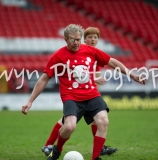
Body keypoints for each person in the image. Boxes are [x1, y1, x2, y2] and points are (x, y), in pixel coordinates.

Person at [22, 24, 145, 160]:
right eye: (73, 40)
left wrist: (131, 74)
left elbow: (112, 62)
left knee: (103, 121)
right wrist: (30, 101)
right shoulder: (58, 56)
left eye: (78, 39)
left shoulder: (90, 50)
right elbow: (44, 79)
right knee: (69, 127)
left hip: (92, 95)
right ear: (65, 39)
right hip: (71, 97)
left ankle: (95, 157)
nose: (76, 43)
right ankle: (57, 150)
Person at [41, 27, 117, 157]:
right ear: (84, 39)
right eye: (90, 37)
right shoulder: (81, 52)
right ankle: (49, 145)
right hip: (74, 95)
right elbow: (81, 74)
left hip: (89, 94)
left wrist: (95, 81)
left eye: (95, 37)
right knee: (66, 123)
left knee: (98, 120)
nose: (93, 40)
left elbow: (92, 75)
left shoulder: (94, 54)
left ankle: (99, 149)